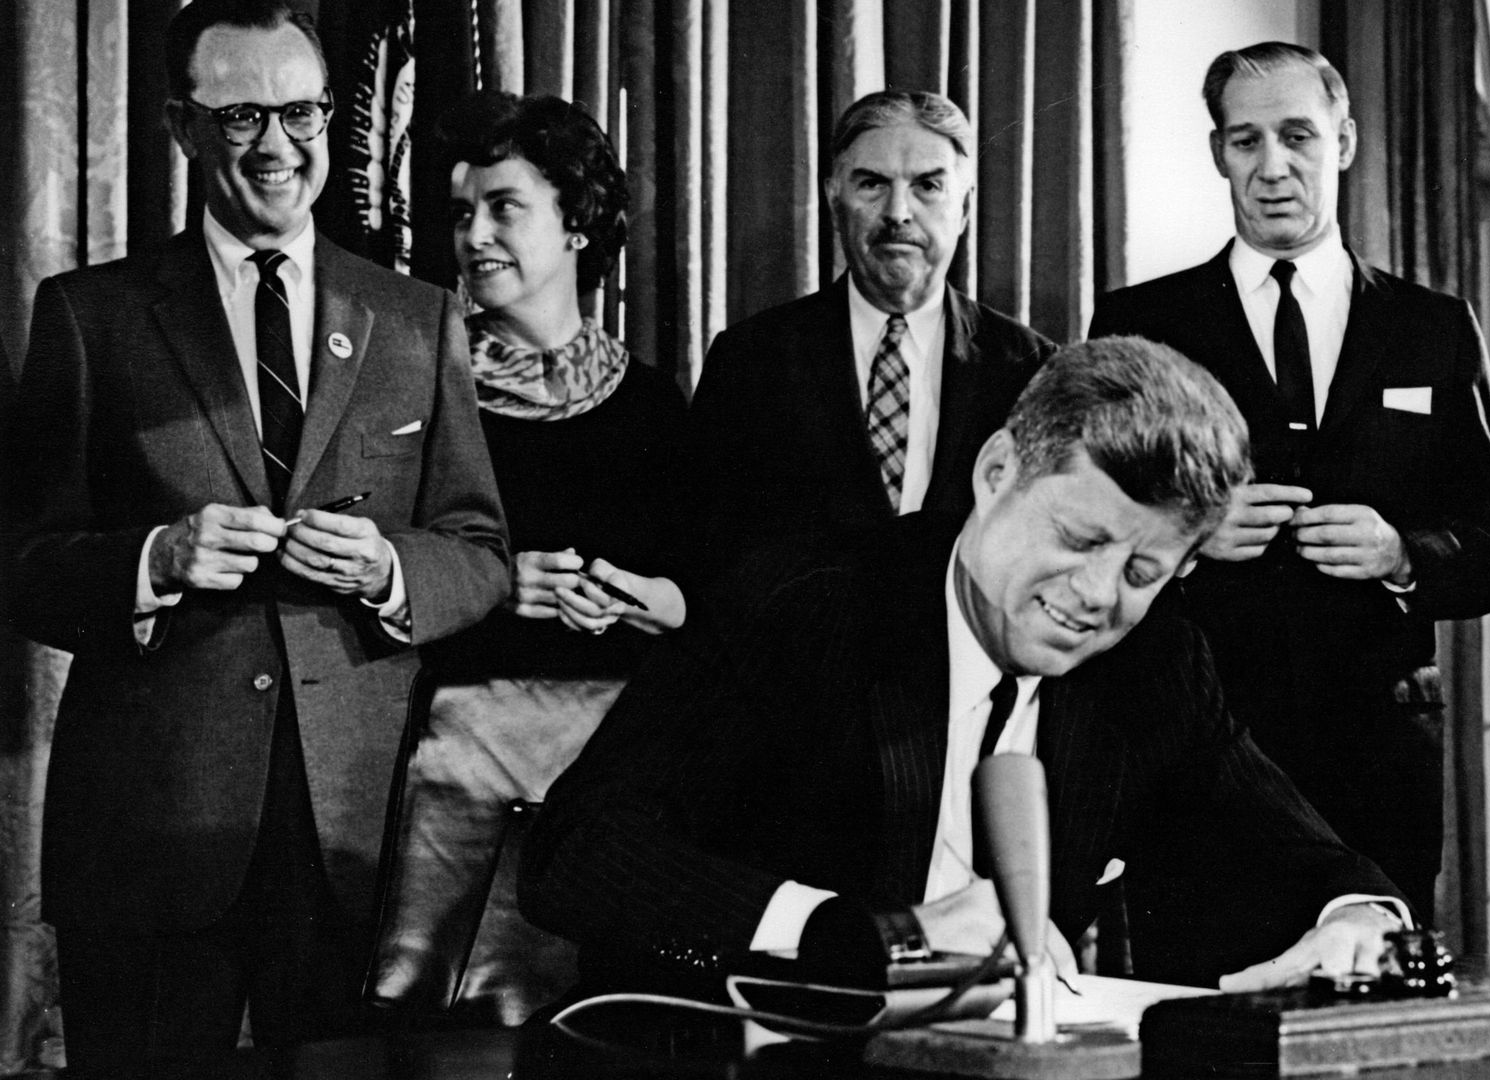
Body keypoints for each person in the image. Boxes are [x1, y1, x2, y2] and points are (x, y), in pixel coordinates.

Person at [521, 337, 1408, 998]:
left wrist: (1360, 921)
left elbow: (1295, 848)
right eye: (1077, 539)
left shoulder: (1157, 657)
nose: (1099, 596)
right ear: (995, 473)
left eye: (1144, 571)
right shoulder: (804, 602)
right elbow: (575, 857)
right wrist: (872, 935)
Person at [0, 1, 510, 1072]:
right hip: (149, 840)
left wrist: (389, 570)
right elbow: (22, 567)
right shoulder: (91, 317)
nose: (277, 146)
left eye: (300, 113)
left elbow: (479, 550)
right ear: (184, 130)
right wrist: (157, 559)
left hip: (353, 843)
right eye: (240, 119)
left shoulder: (417, 318)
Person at [1086, 41, 1490, 922]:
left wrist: (1403, 552)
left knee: (1371, 1019)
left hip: (1380, 762)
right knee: (1201, 1024)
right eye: (1246, 141)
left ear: (1346, 141)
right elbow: (1086, 522)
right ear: (1219, 154)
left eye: (1298, 135)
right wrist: (1189, 538)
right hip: (1195, 755)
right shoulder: (1141, 323)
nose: (1273, 167)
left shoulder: (1432, 329)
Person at [364, 91, 690, 1021]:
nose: (474, 235)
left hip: (619, 791)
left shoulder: (655, 404)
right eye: (462, 213)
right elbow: (370, 586)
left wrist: (646, 598)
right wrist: (499, 588)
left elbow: (700, 598)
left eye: (505, 207)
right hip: (445, 778)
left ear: (578, 223)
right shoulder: (411, 389)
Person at [681, 89, 1053, 581]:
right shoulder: (751, 358)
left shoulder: (1029, 367)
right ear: (835, 199)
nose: (898, 212)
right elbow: (710, 554)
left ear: (964, 209)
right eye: (873, 183)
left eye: (927, 186)